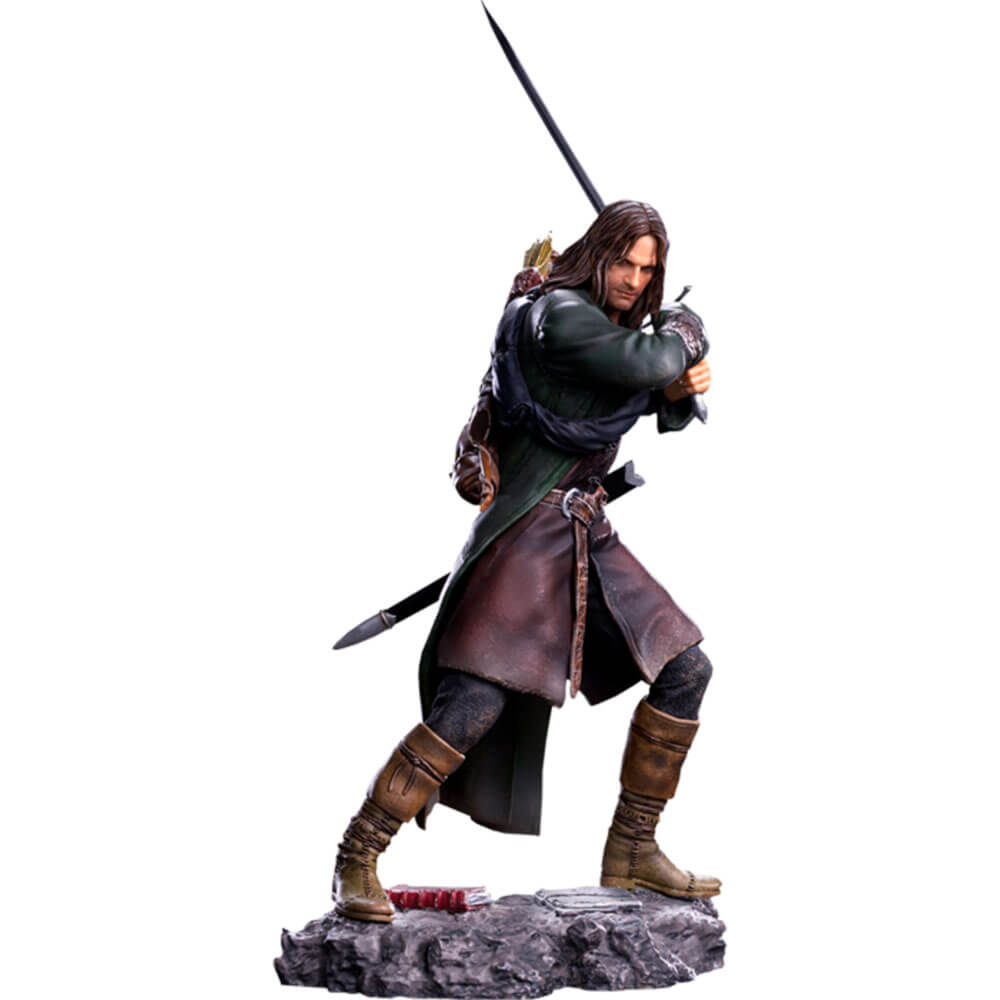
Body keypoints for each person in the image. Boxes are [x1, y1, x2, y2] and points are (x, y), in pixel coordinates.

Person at [333, 200, 719, 923]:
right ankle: (358, 853)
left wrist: (670, 388)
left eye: (648, 270)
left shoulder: (599, 326)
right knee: (472, 706)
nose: (635, 280)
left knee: (685, 668)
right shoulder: (559, 316)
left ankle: (633, 849)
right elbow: (651, 362)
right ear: (596, 254)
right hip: (525, 533)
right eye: (624, 262)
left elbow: (628, 394)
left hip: (584, 527)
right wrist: (685, 334)